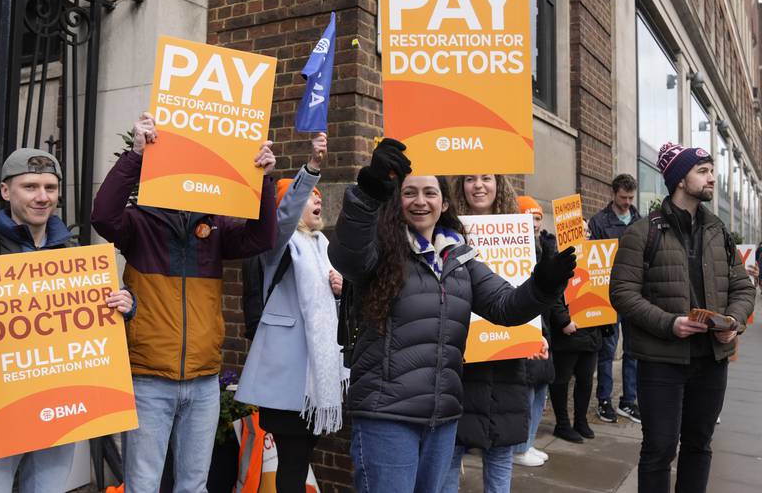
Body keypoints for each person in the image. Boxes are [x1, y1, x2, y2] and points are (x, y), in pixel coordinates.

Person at [328, 139, 576, 493]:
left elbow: (506, 307)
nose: (420, 201)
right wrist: (368, 191)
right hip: (387, 414)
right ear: (397, 200)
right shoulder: (380, 249)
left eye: (430, 192)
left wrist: (542, 284)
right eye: (409, 192)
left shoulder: (459, 258)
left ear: (444, 202)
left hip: (441, 417)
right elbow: (347, 254)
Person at [91, 113, 277, 493]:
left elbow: (261, 239)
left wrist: (264, 182)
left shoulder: (217, 226)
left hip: (205, 381)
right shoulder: (138, 223)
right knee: (142, 484)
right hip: (149, 379)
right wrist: (136, 154)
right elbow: (102, 216)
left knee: (194, 486)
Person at [0, 148, 135, 491]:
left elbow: (101, 323)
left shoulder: (76, 255)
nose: (42, 197)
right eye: (30, 186)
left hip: (60, 408)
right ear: (6, 191)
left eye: (50, 187)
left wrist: (125, 304)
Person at [610, 142, 755, 493]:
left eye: (711, 171)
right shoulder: (642, 232)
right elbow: (622, 294)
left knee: (699, 445)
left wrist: (733, 322)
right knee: (659, 449)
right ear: (679, 180)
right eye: (702, 171)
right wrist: (668, 323)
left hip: (711, 360)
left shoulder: (718, 231)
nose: (711, 178)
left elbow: (743, 289)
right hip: (661, 361)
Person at [235, 133, 348, 493]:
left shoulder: (324, 245)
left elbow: (333, 309)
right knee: (293, 460)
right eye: (309, 197)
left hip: (317, 378)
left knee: (300, 458)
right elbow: (281, 218)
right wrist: (312, 169)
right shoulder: (279, 244)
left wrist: (342, 292)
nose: (317, 199)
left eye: (318, 196)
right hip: (289, 380)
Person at [440, 175, 538, 493]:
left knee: (500, 451)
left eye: (487, 178)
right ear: (460, 187)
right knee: (450, 452)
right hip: (461, 358)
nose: (479, 185)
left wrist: (539, 334)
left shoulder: (519, 231)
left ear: (499, 185)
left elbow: (526, 293)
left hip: (505, 359)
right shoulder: (445, 234)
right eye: (470, 179)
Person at [589, 174, 642, 424]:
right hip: (607, 295)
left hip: (634, 294)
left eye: (631, 198)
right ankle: (604, 400)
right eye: (623, 197)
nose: (627, 202)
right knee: (607, 350)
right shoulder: (599, 222)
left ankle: (629, 401)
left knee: (633, 349)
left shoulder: (640, 220)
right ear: (613, 193)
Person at [547, 216, 602, 444]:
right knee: (561, 380)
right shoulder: (559, 261)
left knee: (586, 380)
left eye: (588, 232)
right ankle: (562, 424)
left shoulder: (595, 259)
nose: (585, 235)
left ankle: (581, 421)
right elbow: (552, 295)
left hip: (591, 331)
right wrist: (563, 321)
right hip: (569, 332)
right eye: (582, 231)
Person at [512, 196, 556, 465]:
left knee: (541, 388)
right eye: (530, 216)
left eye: (538, 217)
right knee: (527, 391)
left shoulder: (542, 248)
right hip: (525, 325)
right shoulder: (516, 248)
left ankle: (527, 442)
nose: (535, 223)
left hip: (543, 326)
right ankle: (519, 447)